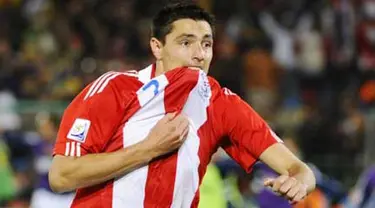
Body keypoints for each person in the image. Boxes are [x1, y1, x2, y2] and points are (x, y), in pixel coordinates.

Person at [48, 2, 316, 208]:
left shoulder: (218, 103)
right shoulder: (114, 89)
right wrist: (147, 149)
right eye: (185, 42)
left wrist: (299, 182)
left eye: (207, 44)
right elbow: (61, 176)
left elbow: (300, 170)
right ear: (157, 46)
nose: (200, 54)